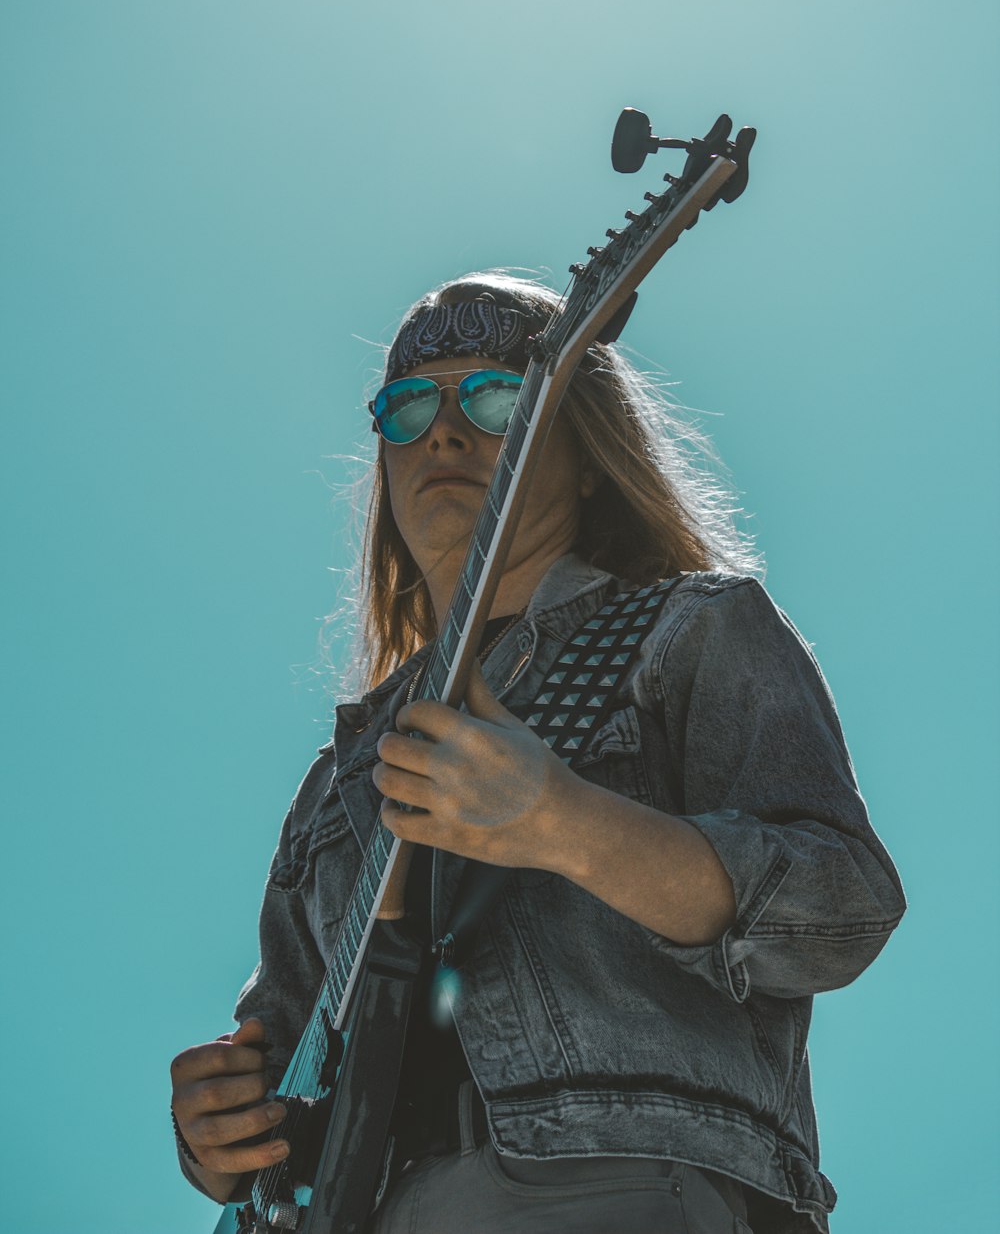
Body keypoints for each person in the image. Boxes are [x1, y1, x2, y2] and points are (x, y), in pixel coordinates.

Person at [170, 272, 906, 1233]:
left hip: (618, 1189)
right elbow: (290, 1047)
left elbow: (843, 906)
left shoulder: (688, 632)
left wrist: (566, 824)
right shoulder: (337, 778)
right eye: (407, 406)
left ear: (588, 451)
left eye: (496, 394)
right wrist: (216, 1134)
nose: (444, 430)